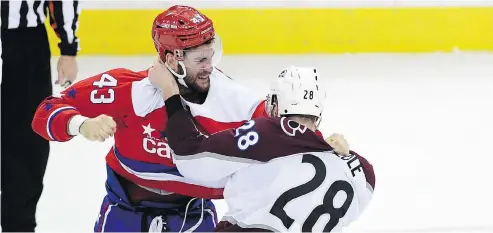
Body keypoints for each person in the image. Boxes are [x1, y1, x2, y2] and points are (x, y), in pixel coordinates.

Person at [30, 5, 349, 232]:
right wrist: (80, 124)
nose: (210, 66)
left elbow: (280, 131)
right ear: (171, 58)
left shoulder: (228, 96)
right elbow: (46, 111)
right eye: (201, 59)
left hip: (194, 219)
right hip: (123, 217)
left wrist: (321, 143)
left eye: (213, 54)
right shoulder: (127, 90)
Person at [156, 65, 376, 232]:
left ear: (276, 104)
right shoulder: (361, 171)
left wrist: (170, 93)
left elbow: (190, 155)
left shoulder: (268, 133)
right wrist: (348, 154)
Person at [1, 1, 79, 231]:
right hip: (24, 43)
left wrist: (68, 47)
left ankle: (19, 226)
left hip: (24, 44)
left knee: (27, 143)